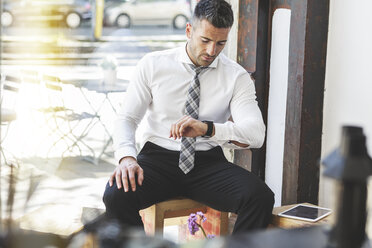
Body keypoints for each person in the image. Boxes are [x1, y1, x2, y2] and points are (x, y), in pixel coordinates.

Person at [103, 0, 274, 234]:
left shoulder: (236, 77)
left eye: (221, 43)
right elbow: (126, 118)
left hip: (208, 163)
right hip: (157, 159)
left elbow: (256, 135)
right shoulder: (153, 65)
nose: (212, 51)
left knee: (260, 197)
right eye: (205, 40)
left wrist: (208, 129)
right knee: (116, 195)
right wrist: (127, 158)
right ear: (188, 31)